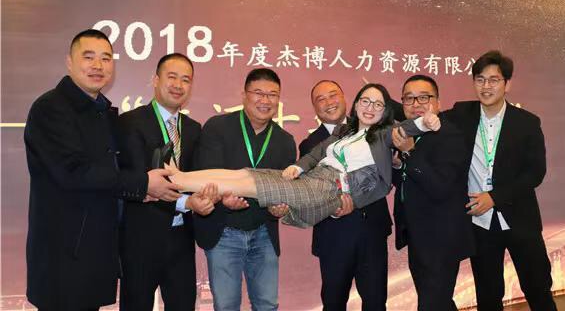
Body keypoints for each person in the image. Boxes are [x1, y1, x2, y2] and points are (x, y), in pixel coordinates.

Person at [23, 29, 179, 311]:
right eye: (89, 57)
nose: (98, 65)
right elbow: (73, 172)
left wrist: (144, 190)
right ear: (69, 62)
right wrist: (142, 184)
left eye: (106, 58)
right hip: (64, 255)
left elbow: (111, 175)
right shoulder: (51, 108)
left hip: (94, 253)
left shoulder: (102, 113)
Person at [171, 83, 440, 229]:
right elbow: (316, 153)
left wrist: (427, 121)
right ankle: (180, 177)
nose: (371, 107)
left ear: (384, 111)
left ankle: (177, 182)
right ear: (357, 104)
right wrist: (298, 168)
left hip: (330, 188)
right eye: (366, 101)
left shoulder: (382, 135)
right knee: (245, 175)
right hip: (314, 179)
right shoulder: (344, 133)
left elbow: (409, 127)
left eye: (378, 104)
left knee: (251, 185)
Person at [445, 51, 557, 311]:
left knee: (538, 289)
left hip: (521, 220)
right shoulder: (461, 114)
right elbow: (425, 112)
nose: (486, 86)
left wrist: (494, 197)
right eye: (480, 80)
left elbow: (535, 173)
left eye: (494, 80)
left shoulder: (527, 123)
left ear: (507, 84)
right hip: (481, 224)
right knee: (488, 295)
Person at [118, 53, 218, 310]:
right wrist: (187, 202)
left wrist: (208, 196)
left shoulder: (193, 128)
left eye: (186, 80)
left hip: (181, 238)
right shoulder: (130, 122)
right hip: (141, 238)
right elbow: (136, 180)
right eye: (172, 77)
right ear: (155, 80)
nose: (178, 85)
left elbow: (197, 176)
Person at [193, 68, 296, 311]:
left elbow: (284, 190)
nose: (265, 100)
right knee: (226, 305)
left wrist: (279, 208)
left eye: (272, 95)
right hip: (224, 232)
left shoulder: (285, 141)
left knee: (267, 304)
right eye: (258, 93)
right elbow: (206, 174)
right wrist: (222, 199)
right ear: (244, 95)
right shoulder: (218, 127)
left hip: (264, 233)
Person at [299, 80, 392, 311]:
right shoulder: (311, 145)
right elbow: (313, 189)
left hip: (372, 232)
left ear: (347, 98)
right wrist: (334, 207)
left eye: (333, 95)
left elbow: (391, 175)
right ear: (314, 107)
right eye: (321, 99)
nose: (329, 102)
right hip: (334, 235)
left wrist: (398, 161)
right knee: (334, 303)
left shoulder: (375, 126)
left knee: (376, 302)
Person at [391, 75, 474, 311]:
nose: (415, 104)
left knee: (432, 304)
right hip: (418, 235)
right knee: (439, 302)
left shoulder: (450, 135)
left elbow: (441, 186)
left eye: (423, 97)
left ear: (437, 102)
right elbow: (407, 183)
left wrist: (410, 154)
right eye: (409, 98)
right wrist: (399, 165)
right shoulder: (409, 133)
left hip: (441, 238)